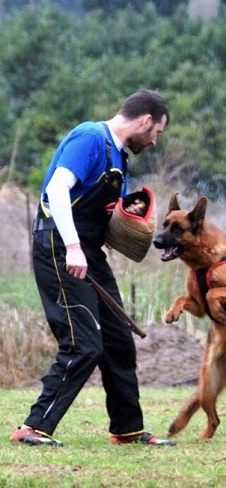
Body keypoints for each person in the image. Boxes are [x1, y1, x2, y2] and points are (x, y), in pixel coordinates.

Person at [10, 89, 175, 446]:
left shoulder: (117, 155)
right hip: (58, 246)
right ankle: (33, 427)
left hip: (87, 250)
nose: (154, 141)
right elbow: (56, 190)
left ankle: (127, 429)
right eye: (156, 133)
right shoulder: (90, 137)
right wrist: (72, 246)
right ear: (145, 120)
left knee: (118, 340)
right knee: (83, 343)